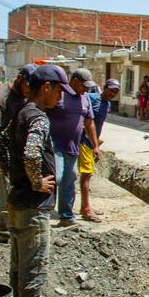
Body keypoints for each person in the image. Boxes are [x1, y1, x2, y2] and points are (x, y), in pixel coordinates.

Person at [0, 64, 70, 297]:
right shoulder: (38, 117)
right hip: (34, 207)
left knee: (18, 269)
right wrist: (36, 181)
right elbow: (30, 153)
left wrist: (16, 178)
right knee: (33, 272)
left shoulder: (20, 112)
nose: (61, 96)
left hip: (16, 202)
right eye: (59, 90)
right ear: (46, 87)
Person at [0, 64, 36, 242]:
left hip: (20, 153)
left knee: (18, 195)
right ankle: (3, 233)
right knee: (6, 197)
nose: (30, 91)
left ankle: (7, 228)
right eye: (29, 86)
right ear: (20, 80)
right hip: (3, 153)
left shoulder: (27, 95)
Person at [48, 68, 100, 225]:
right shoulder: (59, 94)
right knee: (56, 177)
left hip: (72, 146)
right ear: (75, 81)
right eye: (84, 85)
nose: (86, 89)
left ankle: (66, 216)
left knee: (69, 179)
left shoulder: (85, 98)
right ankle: (43, 210)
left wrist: (95, 145)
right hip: (54, 144)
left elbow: (89, 122)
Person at [78, 79, 119, 221]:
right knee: (86, 174)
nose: (112, 93)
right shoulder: (91, 98)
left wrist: (96, 143)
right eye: (111, 90)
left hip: (92, 143)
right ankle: (86, 209)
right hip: (85, 141)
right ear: (104, 88)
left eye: (115, 91)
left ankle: (85, 205)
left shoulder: (107, 104)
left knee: (88, 175)